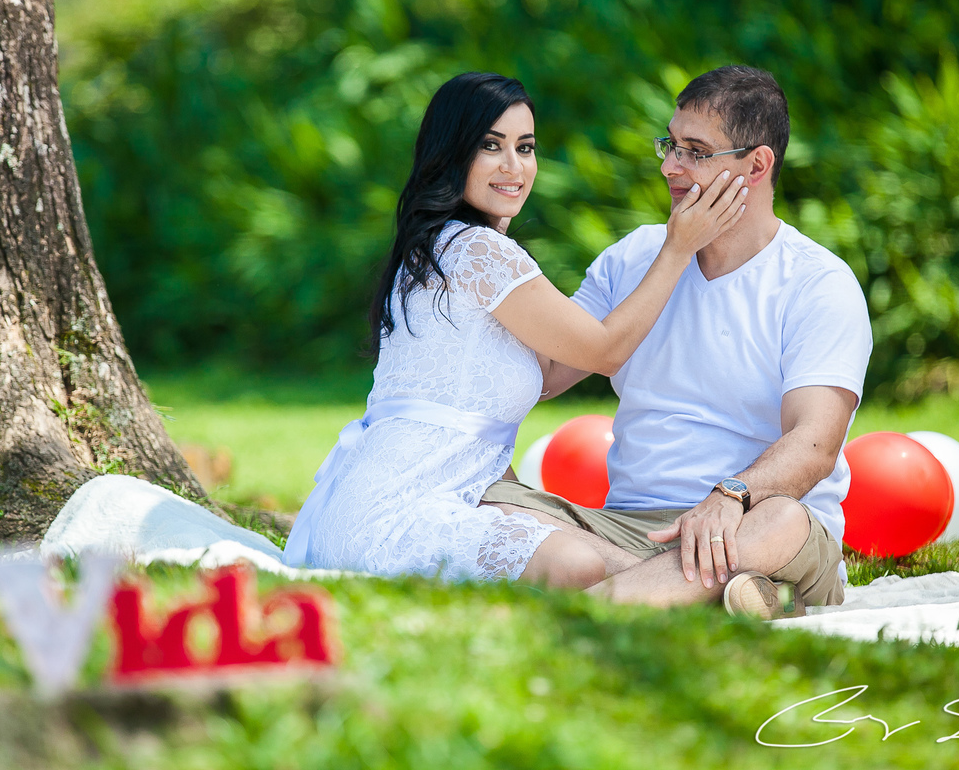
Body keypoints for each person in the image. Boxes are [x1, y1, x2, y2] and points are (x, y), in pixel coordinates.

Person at [282, 72, 748, 586]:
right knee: (576, 564)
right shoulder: (477, 252)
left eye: (525, 148)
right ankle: (717, 581)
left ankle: (712, 580)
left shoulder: (440, 247)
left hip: (404, 500)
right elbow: (606, 351)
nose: (514, 166)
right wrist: (678, 248)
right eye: (490, 146)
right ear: (452, 153)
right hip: (394, 512)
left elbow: (545, 373)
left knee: (574, 551)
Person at [482, 65, 873, 616]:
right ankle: (703, 591)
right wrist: (487, 249)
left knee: (782, 520)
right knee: (488, 500)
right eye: (670, 144)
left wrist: (729, 495)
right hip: (625, 528)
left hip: (752, 520)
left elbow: (815, 444)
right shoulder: (634, 256)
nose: (670, 167)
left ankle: (591, 608)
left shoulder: (818, 283)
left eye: (694, 151)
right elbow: (545, 374)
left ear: (756, 164)